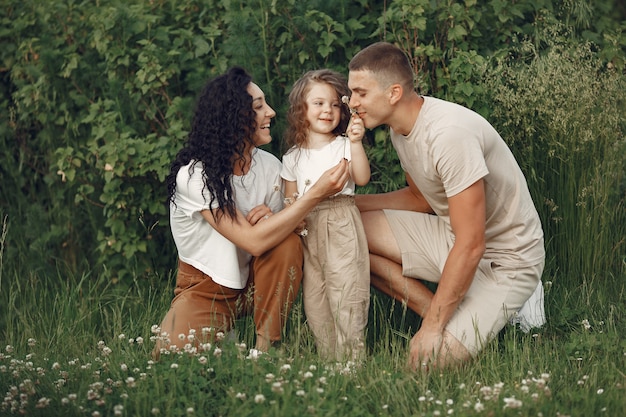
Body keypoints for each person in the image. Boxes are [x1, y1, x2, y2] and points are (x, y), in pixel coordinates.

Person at [347, 42, 546, 370]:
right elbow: (419, 199)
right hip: (452, 236)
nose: (352, 103)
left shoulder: (448, 135)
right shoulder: (401, 129)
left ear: (394, 92)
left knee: (428, 364)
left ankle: (511, 302)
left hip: (507, 260)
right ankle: (448, 311)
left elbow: (472, 244)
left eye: (360, 93)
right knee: (344, 234)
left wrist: (432, 332)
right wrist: (345, 205)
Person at [153, 67, 350, 358]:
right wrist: (315, 193)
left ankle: (265, 351)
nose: (270, 112)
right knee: (170, 358)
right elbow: (253, 241)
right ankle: (222, 327)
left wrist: (277, 219)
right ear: (232, 118)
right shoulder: (195, 175)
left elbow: (292, 228)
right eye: (258, 107)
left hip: (257, 281)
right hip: (206, 288)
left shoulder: (270, 166)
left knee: (286, 242)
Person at [281, 69, 371, 361]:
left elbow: (362, 177)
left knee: (346, 291)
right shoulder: (291, 157)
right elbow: (289, 199)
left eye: (334, 104)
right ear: (301, 109)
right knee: (316, 298)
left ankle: (352, 361)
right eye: (318, 103)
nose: (327, 110)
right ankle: (330, 359)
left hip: (340, 219)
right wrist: (293, 214)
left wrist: (356, 143)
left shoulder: (343, 146)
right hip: (308, 227)